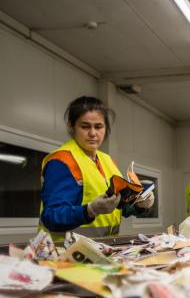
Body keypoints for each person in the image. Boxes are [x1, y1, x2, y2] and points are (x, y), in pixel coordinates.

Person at [40, 96, 155, 240]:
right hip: (65, 255)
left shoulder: (107, 161)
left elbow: (117, 207)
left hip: (101, 250)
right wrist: (89, 210)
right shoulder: (62, 161)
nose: (93, 133)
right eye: (85, 126)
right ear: (71, 126)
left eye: (98, 126)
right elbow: (51, 216)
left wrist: (140, 205)